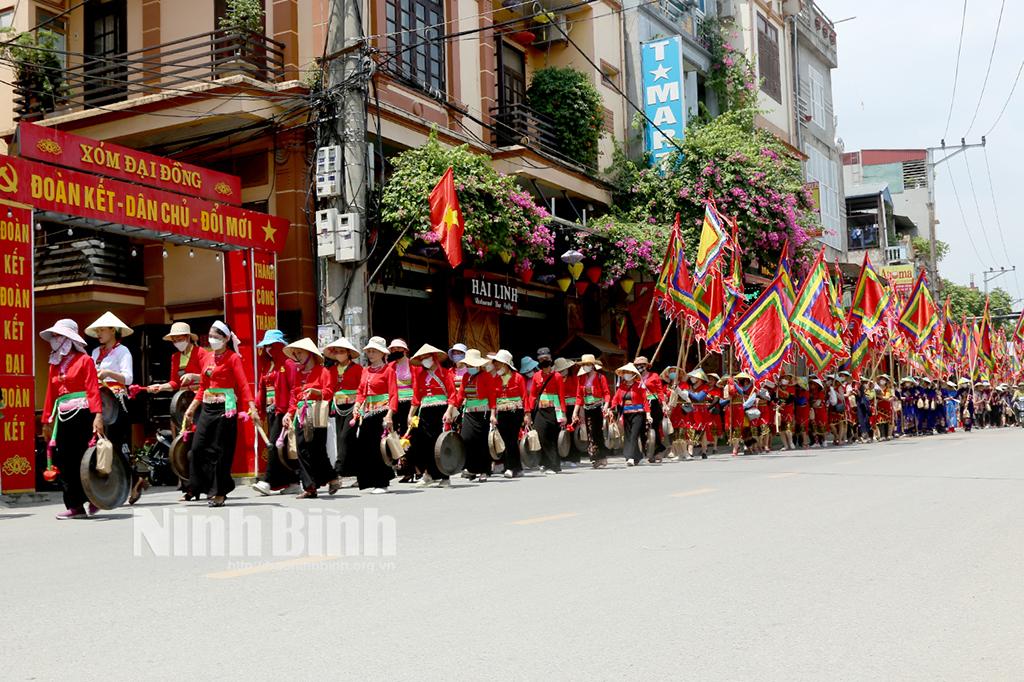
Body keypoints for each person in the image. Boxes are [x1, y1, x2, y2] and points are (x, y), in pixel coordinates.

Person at [182, 321, 258, 507]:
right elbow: (202, 387)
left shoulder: (233, 358)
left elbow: (242, 385)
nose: (212, 339)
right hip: (207, 408)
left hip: (226, 408)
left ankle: (219, 492)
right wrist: (191, 408)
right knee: (198, 448)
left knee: (219, 451)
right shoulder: (207, 358)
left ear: (225, 339)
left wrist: (252, 407)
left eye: (216, 336)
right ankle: (200, 486)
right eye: (210, 336)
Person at [41, 319, 105, 519]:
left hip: (82, 413)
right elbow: (50, 394)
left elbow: (93, 389)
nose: (55, 339)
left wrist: (98, 415)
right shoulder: (54, 363)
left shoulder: (85, 361)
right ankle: (75, 506)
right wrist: (46, 421)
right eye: (54, 336)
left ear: (69, 339)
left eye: (58, 336)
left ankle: (94, 498)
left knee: (83, 459)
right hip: (62, 415)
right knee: (65, 460)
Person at [85, 311, 136, 506]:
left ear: (113, 330)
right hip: (99, 400)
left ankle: (128, 483)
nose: (99, 333)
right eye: (97, 330)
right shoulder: (95, 353)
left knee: (117, 443)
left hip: (117, 400)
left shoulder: (123, 351)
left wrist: (108, 373)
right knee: (100, 442)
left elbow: (129, 379)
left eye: (102, 330)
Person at [280, 338, 339, 498]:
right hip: (301, 415)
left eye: (300, 352)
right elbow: (294, 396)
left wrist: (316, 392)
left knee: (317, 449)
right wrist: (289, 413)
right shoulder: (298, 374)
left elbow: (329, 392)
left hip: (317, 413)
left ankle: (331, 477)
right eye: (296, 353)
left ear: (309, 354)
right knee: (301, 449)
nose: (297, 355)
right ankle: (309, 487)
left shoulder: (323, 371)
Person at [252, 330, 300, 496]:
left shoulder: (289, 364)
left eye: (271, 345)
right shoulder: (267, 365)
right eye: (266, 346)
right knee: (282, 448)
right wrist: (256, 410)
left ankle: (267, 481)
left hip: (283, 412)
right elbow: (261, 389)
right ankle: (292, 482)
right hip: (271, 411)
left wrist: (291, 412)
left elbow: (295, 389)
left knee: (273, 446)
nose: (268, 349)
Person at [406, 343, 454, 488]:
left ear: (434, 358)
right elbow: (416, 398)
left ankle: (445, 477)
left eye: (427, 358)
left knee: (440, 444)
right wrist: (410, 415)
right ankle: (428, 474)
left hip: (441, 410)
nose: (424, 361)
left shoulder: (445, 373)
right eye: (422, 359)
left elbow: (452, 394)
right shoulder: (420, 375)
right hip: (425, 411)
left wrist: (449, 411)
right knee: (423, 443)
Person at [354, 336, 397, 493]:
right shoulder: (365, 371)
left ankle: (382, 482)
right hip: (368, 412)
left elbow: (393, 394)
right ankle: (370, 480)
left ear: (381, 353)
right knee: (365, 446)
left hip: (382, 411)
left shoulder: (389, 370)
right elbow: (361, 391)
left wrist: (390, 415)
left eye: (374, 351)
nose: (370, 354)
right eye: (369, 351)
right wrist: (357, 404)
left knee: (380, 447)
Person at [323, 337, 362, 486]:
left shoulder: (358, 369)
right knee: (345, 440)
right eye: (336, 352)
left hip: (353, 408)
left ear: (348, 353)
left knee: (344, 438)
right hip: (337, 407)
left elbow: (362, 388)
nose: (339, 354)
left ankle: (337, 471)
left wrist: (360, 405)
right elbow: (329, 389)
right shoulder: (331, 370)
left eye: (341, 351)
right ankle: (358, 473)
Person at [452, 348, 494, 481]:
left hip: (483, 413)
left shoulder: (487, 376)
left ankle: (484, 470)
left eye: (472, 365)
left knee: (482, 442)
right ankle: (471, 468)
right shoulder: (466, 376)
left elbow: (492, 396)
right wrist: (452, 410)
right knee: (466, 439)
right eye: (468, 365)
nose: (470, 367)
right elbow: (460, 396)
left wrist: (493, 414)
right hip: (469, 413)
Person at [487, 349, 528, 478]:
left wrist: (527, 414)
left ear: (505, 364)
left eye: (498, 363)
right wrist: (492, 415)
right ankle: (517, 467)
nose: (496, 366)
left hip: (515, 412)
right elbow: (493, 398)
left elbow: (525, 396)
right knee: (506, 441)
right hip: (502, 413)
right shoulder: (495, 379)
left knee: (511, 440)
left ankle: (510, 467)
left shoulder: (518, 378)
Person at [526, 347, 565, 474]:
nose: (544, 361)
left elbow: (561, 395)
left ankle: (554, 466)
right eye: (541, 360)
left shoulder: (557, 376)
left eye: (546, 359)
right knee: (540, 435)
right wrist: (529, 412)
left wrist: (563, 414)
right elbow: (532, 395)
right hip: (540, 410)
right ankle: (544, 463)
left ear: (550, 359)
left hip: (554, 409)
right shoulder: (536, 376)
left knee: (552, 437)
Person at [572, 354, 611, 468]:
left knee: (597, 433)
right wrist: (575, 412)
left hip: (598, 407)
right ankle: (597, 458)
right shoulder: (581, 378)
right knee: (590, 434)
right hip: (587, 408)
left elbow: (607, 393)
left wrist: (606, 405)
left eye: (588, 364)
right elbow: (579, 396)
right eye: (584, 365)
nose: (586, 367)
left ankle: (600, 457)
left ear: (593, 365)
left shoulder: (600, 377)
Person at [611, 363, 650, 466]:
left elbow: (645, 401)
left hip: (638, 414)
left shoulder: (640, 386)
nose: (626, 375)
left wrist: (648, 414)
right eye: (625, 373)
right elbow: (615, 399)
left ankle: (630, 457)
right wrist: (610, 408)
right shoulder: (622, 387)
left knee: (633, 435)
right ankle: (639, 457)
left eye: (628, 372)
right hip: (626, 414)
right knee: (628, 436)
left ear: (633, 374)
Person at [388, 338, 416, 482]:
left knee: (410, 435)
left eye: (398, 349)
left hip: (411, 404)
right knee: (396, 436)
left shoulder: (413, 366)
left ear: (405, 350)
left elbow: (417, 387)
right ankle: (405, 468)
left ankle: (414, 468)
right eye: (392, 349)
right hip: (395, 404)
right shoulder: (391, 366)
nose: (395, 351)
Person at [635, 355, 667, 458]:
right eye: (638, 365)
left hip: (653, 403)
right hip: (640, 404)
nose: (640, 367)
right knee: (641, 428)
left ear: (646, 366)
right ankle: (646, 450)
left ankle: (658, 450)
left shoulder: (654, 376)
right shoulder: (635, 377)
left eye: (641, 365)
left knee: (654, 427)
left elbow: (660, 391)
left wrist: (664, 404)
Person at [553, 357, 580, 467]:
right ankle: (563, 456)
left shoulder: (574, 379)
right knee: (561, 433)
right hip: (559, 408)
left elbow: (579, 395)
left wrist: (577, 411)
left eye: (564, 370)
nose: (562, 372)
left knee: (572, 432)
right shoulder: (555, 379)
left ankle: (574, 458)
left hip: (573, 408)